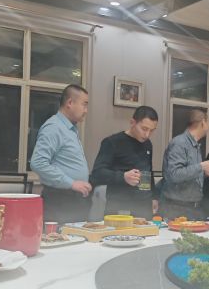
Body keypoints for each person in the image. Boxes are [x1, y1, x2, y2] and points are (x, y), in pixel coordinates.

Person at [30, 84, 92, 223]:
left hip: (74, 199)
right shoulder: (54, 127)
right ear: (70, 103)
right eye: (84, 105)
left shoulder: (69, 128)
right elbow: (38, 163)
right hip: (60, 200)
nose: (86, 111)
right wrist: (71, 183)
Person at [90, 106, 158, 219]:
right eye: (144, 129)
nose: (147, 134)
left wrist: (154, 197)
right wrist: (123, 177)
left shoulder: (148, 144)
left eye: (152, 130)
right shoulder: (112, 142)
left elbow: (148, 171)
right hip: (120, 206)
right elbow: (97, 173)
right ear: (132, 123)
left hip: (144, 206)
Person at [160, 109, 209, 220]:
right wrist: (202, 166)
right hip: (177, 208)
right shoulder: (180, 143)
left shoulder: (195, 145)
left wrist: (204, 173)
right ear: (203, 122)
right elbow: (174, 174)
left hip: (193, 207)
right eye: (208, 122)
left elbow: (189, 173)